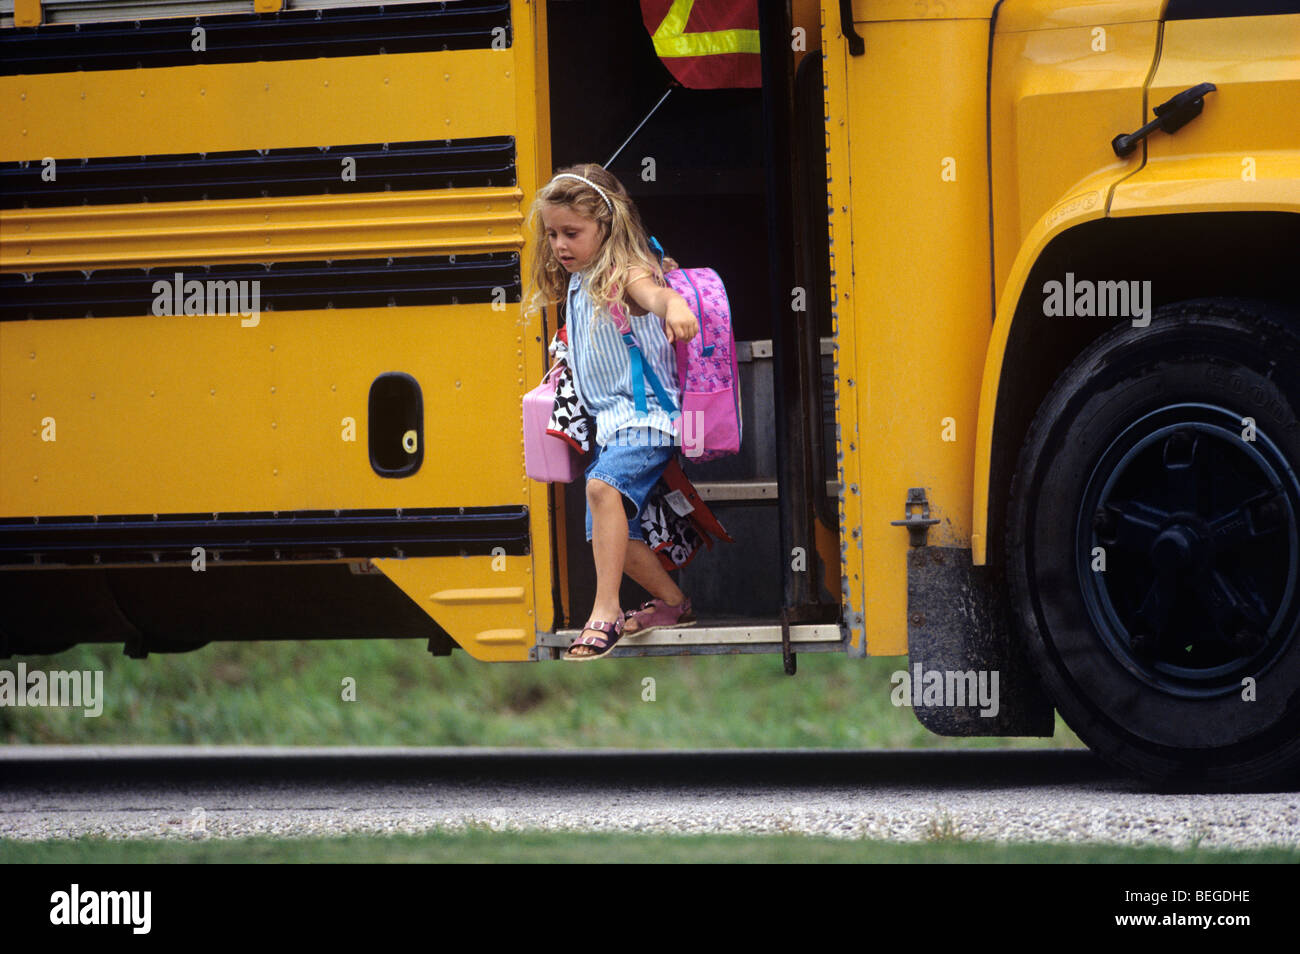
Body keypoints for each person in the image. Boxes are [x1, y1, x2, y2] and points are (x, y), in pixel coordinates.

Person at [524, 163, 701, 660]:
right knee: (610, 533)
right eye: (553, 233)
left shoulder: (625, 269)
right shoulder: (580, 281)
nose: (559, 244)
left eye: (572, 233)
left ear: (606, 224)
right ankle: (673, 603)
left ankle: (604, 612)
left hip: (647, 419)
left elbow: (653, 293)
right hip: (614, 426)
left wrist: (674, 307)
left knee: (602, 490)